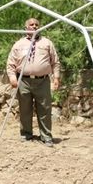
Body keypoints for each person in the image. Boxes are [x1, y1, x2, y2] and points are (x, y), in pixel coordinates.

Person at [6, 18, 60, 147]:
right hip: (23, 80)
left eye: (36, 25)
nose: (34, 26)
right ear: (26, 28)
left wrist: (56, 78)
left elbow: (55, 62)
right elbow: (10, 64)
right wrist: (12, 78)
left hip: (42, 81)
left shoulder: (47, 43)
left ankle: (46, 136)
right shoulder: (18, 44)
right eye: (31, 25)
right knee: (25, 109)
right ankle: (26, 134)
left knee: (45, 109)